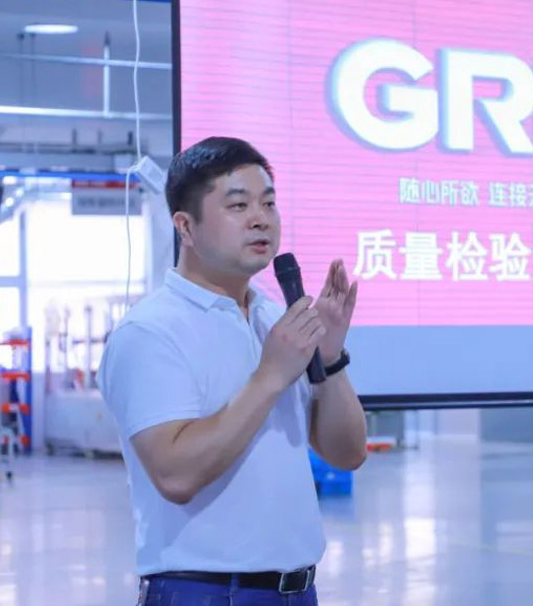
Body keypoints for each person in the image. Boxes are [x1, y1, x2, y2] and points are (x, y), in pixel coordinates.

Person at [100, 136, 368, 606]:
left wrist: (330, 359)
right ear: (186, 226)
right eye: (238, 205)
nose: (261, 218)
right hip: (204, 591)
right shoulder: (150, 332)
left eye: (269, 203)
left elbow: (347, 453)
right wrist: (270, 376)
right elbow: (176, 476)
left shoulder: (273, 318)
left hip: (297, 590)